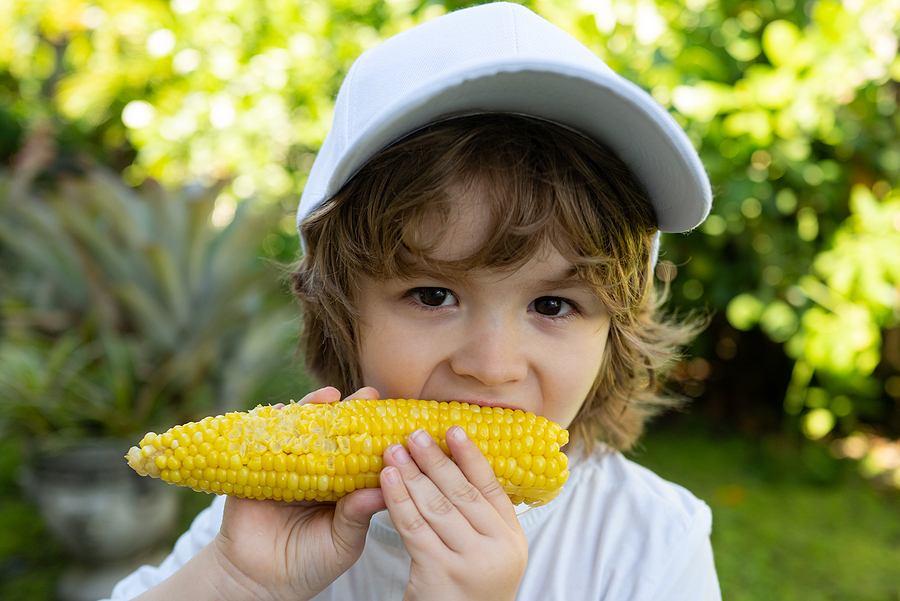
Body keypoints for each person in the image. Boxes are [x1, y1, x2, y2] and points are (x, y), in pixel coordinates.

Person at [105, 3, 721, 600]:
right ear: (344, 314)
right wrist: (234, 584)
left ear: (614, 331)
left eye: (553, 306)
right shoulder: (262, 523)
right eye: (433, 294)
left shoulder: (653, 545)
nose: (492, 363)